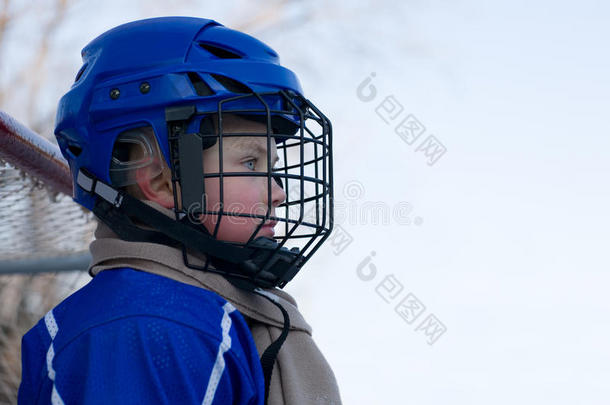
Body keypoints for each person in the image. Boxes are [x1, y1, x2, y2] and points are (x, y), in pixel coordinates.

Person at [18, 16, 340, 405]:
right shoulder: (146, 323)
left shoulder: (202, 315)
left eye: (272, 166)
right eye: (252, 163)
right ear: (158, 181)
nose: (279, 193)